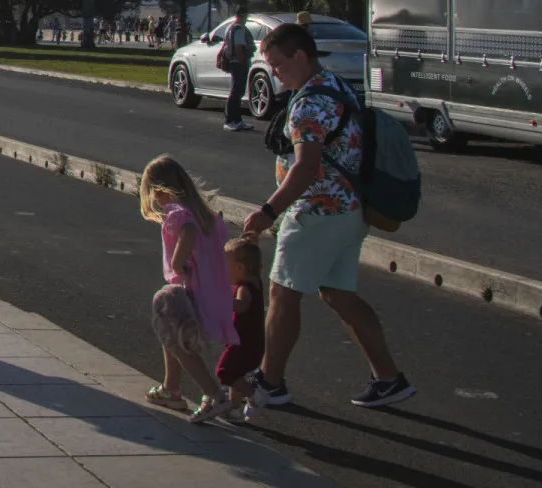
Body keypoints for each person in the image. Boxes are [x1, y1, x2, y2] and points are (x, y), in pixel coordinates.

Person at [241, 23, 413, 409]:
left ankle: (270, 382)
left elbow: (306, 167)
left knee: (283, 295)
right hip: (349, 209)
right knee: (338, 294)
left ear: (301, 56)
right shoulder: (335, 85)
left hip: (316, 211)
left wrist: (268, 212)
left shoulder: (308, 103)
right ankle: (389, 378)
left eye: (279, 63)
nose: (274, 72)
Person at [139, 156, 240, 423]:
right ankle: (170, 388)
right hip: (214, 293)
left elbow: (188, 232)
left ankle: (213, 395)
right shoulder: (208, 216)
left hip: (191, 289)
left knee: (181, 343)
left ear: (159, 190)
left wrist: (177, 262)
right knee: (171, 335)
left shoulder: (178, 213)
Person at [217, 235, 266, 420]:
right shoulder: (255, 281)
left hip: (244, 343)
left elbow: (242, 305)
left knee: (224, 372)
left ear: (240, 268)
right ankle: (234, 408)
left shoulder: (244, 287)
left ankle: (254, 395)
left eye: (226, 267)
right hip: (247, 341)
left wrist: (220, 300)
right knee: (235, 374)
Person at [219, 7, 256, 132]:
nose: (246, 19)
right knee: (236, 91)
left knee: (238, 91)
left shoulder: (231, 28)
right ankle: (230, 120)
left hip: (236, 63)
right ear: (241, 15)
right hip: (239, 63)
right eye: (246, 16)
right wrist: (242, 62)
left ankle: (237, 119)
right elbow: (239, 47)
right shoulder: (239, 29)